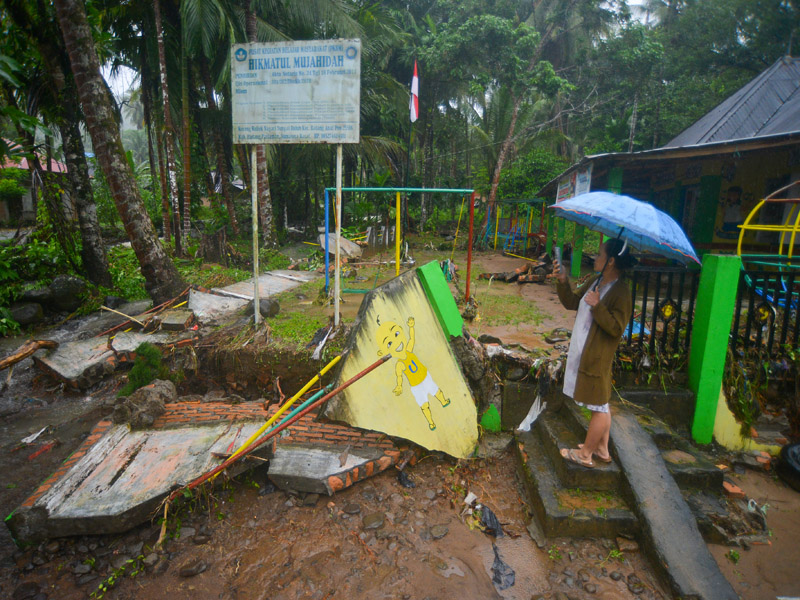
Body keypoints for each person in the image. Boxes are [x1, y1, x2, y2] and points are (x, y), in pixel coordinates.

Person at [553, 238, 635, 468]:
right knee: (601, 404)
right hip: (583, 351)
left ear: (610, 261)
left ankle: (586, 455)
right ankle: (602, 449)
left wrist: (598, 305)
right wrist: (562, 280)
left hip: (597, 357)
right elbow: (572, 301)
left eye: (599, 254)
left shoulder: (621, 292)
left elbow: (617, 328)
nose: (595, 258)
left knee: (598, 407)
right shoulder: (595, 281)